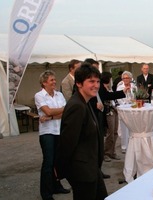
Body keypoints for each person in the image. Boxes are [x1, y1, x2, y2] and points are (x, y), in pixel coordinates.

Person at [55, 63, 108, 200]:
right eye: (91, 81)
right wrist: (60, 170)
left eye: (97, 81)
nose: (96, 85)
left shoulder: (85, 102)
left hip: (91, 168)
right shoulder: (77, 106)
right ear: (78, 83)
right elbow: (67, 142)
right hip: (82, 172)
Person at [34, 70, 69, 200]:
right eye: (51, 80)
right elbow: (47, 111)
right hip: (47, 133)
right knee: (48, 162)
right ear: (44, 83)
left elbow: (65, 112)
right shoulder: (39, 96)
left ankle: (57, 186)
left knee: (58, 161)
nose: (54, 82)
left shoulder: (59, 94)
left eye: (54, 79)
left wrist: (50, 116)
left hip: (59, 131)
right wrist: (53, 114)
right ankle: (46, 193)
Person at [84, 58, 111, 179]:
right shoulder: (82, 86)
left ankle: (98, 170)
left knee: (100, 144)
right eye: (94, 67)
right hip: (92, 115)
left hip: (100, 114)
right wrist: (94, 105)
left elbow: (104, 96)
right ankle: (94, 172)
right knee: (92, 146)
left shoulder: (97, 84)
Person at [98, 72, 129, 162]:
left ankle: (112, 152)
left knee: (115, 133)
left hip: (114, 111)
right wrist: (122, 92)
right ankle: (106, 153)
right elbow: (109, 96)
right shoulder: (101, 88)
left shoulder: (108, 87)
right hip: (108, 112)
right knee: (110, 134)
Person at [116, 71, 137, 153]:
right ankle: (124, 146)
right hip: (123, 109)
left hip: (132, 109)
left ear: (130, 79)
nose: (125, 79)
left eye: (127, 78)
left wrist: (131, 92)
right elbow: (118, 98)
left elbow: (135, 97)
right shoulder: (119, 87)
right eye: (124, 78)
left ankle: (132, 145)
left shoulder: (134, 87)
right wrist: (125, 104)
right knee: (124, 128)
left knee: (132, 127)